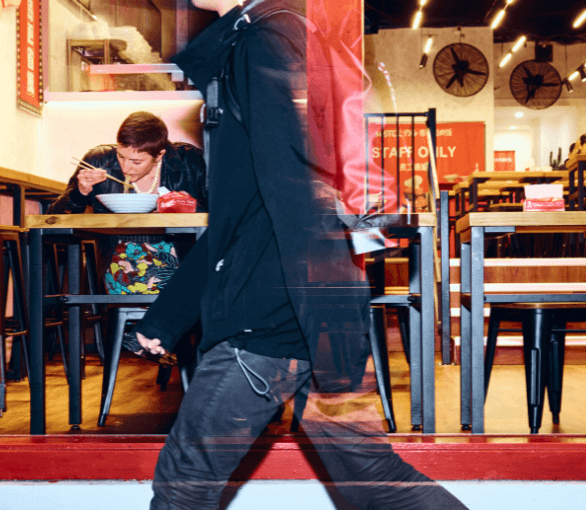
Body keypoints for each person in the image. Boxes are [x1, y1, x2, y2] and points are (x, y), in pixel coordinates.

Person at [131, 1, 467, 509]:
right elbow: (250, 211)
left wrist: (307, 309)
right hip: (312, 308)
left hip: (271, 313)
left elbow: (288, 192)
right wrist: (171, 313)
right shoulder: (289, 37)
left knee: (184, 485)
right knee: (374, 481)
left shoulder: (262, 43)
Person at [49, 111, 207, 294]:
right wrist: (80, 192)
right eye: (121, 156)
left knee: (184, 288)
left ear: (159, 155)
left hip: (179, 253)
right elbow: (54, 224)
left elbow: (222, 217)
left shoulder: (189, 161)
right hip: (116, 255)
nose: (125, 167)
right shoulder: (99, 160)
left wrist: (190, 207)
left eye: (136, 162)